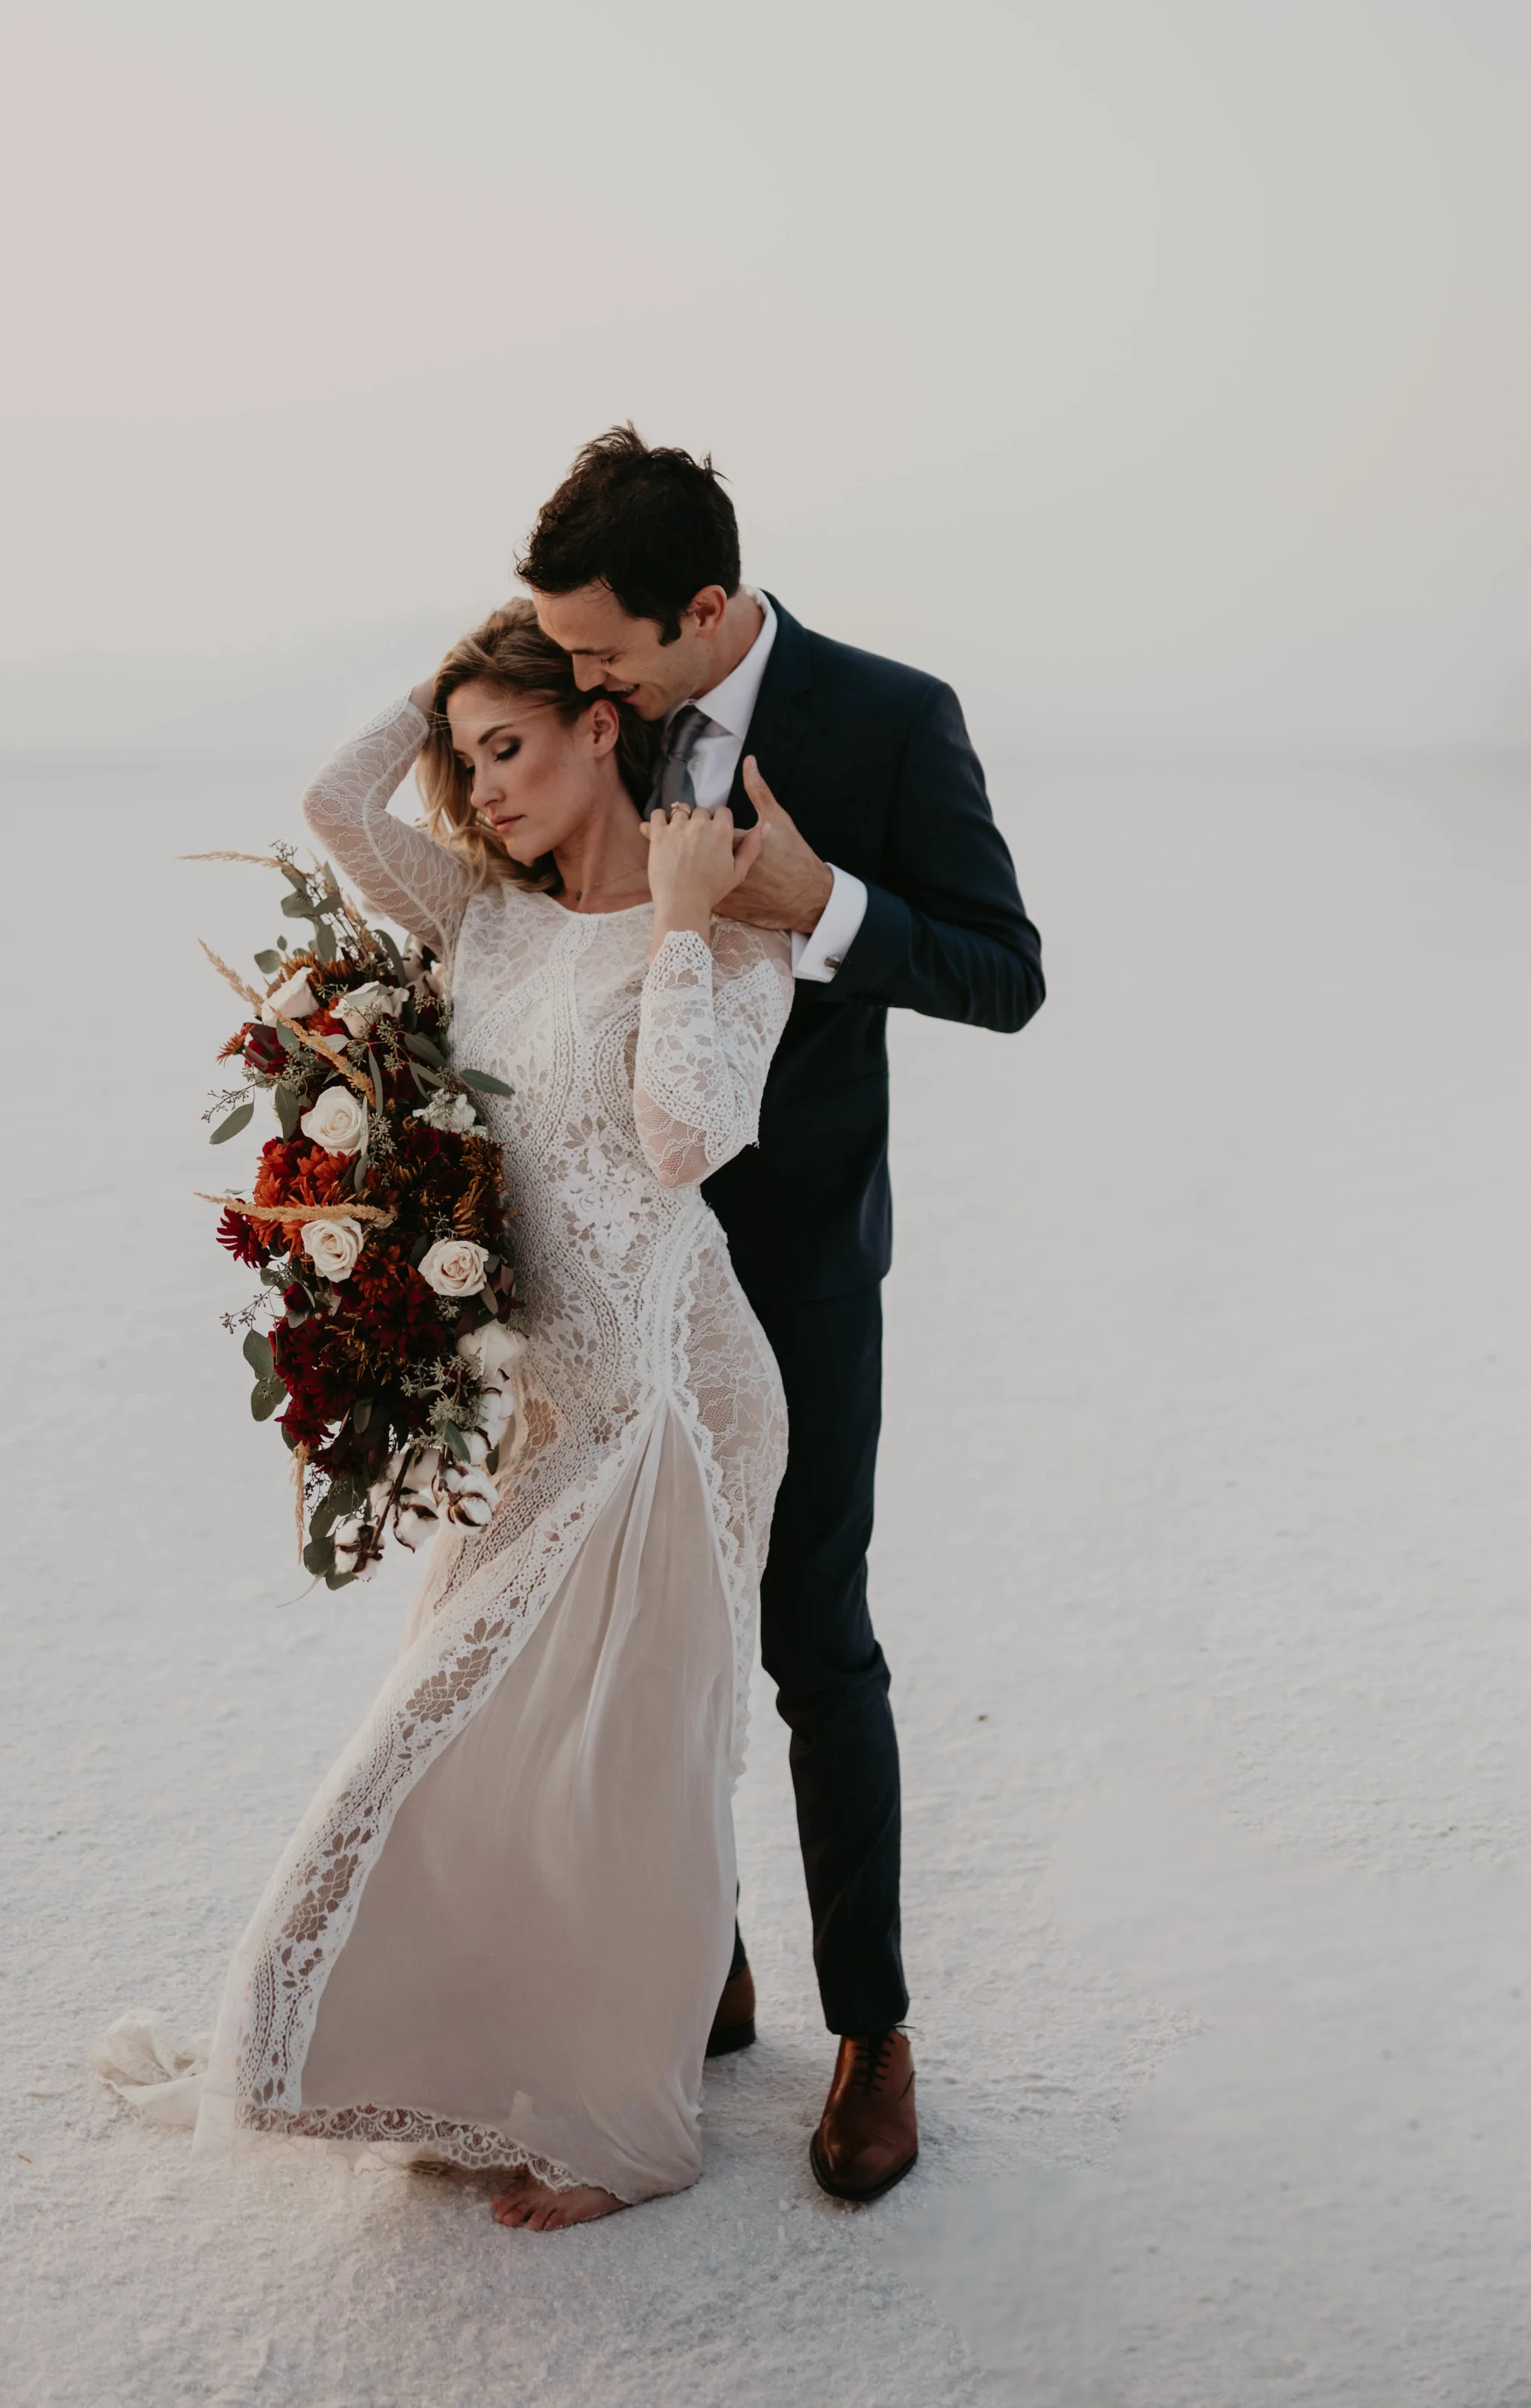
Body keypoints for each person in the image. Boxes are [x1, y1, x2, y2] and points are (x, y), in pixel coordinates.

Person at [101, 604, 794, 2229]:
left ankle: (619, 2125)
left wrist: (686, 916)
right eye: (463, 756)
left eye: (511, 746)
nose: (477, 786)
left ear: (601, 730)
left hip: (677, 1405)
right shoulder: (479, 914)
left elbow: (682, 1138)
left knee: (615, 1756)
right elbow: (338, 813)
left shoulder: (735, 939)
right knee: (468, 1741)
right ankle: (475, 2056)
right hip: (558, 1405)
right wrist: (457, 673)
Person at [523, 425, 1045, 2203]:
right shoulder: (578, 694)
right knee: (641, 1627)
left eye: (604, 651)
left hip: (799, 1257)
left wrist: (816, 904)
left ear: (710, 607)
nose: (574, 680)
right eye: (560, 651)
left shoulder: (893, 717)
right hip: (614, 1266)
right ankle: (705, 1956)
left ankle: (873, 2032)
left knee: (813, 1635)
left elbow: (1003, 973)